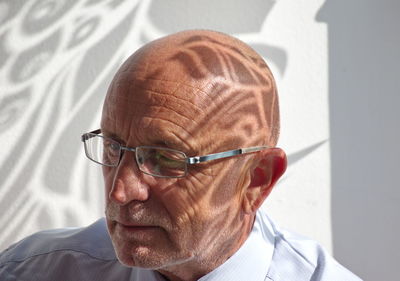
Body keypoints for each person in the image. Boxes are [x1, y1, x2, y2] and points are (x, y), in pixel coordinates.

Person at [0, 30, 362, 281]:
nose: (120, 192)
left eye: (166, 158)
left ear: (257, 179)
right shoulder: (35, 271)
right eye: (113, 148)